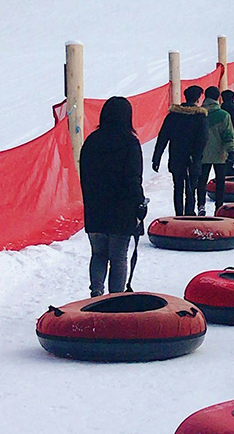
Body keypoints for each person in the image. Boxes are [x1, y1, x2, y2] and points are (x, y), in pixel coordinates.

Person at [80, 96, 146, 296]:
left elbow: (84, 175)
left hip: (95, 209)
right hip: (122, 210)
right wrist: (139, 205)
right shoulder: (129, 142)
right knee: (118, 258)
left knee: (98, 254)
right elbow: (133, 179)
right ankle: (115, 299)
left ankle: (96, 293)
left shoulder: (91, 141)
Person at [152, 85, 209, 216]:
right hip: (193, 160)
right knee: (191, 188)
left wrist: (157, 158)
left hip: (176, 158)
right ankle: (189, 214)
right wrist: (195, 156)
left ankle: (178, 214)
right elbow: (203, 140)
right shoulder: (200, 117)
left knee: (178, 187)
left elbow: (162, 138)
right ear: (198, 98)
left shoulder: (173, 116)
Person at [197, 85, 234, 214]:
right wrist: (231, 150)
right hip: (220, 154)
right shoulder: (224, 115)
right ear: (218, 97)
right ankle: (219, 206)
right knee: (220, 181)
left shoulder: (199, 114)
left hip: (202, 154)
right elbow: (228, 135)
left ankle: (201, 205)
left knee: (201, 181)